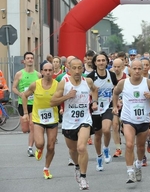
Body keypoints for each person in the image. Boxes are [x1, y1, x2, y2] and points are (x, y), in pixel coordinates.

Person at [50, 58, 98, 190]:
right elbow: (52, 102)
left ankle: (83, 177)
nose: (77, 71)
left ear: (82, 68)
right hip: (69, 122)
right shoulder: (63, 83)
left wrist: (94, 102)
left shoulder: (87, 81)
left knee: (81, 148)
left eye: (79, 68)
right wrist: (67, 96)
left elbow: (95, 90)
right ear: (69, 69)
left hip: (84, 120)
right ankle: (77, 166)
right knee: (72, 150)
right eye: (74, 68)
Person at [112, 59, 150, 184]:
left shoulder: (148, 82)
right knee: (129, 144)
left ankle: (138, 164)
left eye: (140, 68)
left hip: (143, 119)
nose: (137, 71)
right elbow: (115, 92)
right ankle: (130, 172)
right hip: (128, 119)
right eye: (135, 68)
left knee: (140, 147)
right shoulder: (124, 83)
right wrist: (114, 105)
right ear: (130, 69)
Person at [21, 62, 59, 179]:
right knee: (40, 143)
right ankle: (39, 149)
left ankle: (46, 168)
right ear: (41, 72)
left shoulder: (58, 85)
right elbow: (24, 95)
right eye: (45, 70)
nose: (47, 73)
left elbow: (63, 97)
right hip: (38, 118)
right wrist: (26, 113)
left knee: (51, 146)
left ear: (53, 72)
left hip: (53, 118)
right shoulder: (35, 84)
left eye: (50, 70)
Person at [86, 52, 118, 171]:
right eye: (98, 61)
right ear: (95, 63)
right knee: (98, 135)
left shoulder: (112, 75)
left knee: (106, 129)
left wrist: (117, 101)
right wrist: (92, 94)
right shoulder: (90, 77)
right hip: (95, 109)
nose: (101, 63)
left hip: (107, 107)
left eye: (103, 60)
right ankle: (99, 157)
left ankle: (106, 148)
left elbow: (116, 89)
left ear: (107, 62)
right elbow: (85, 91)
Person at [12, 52, 42, 157]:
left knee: (32, 125)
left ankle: (30, 147)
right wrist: (20, 94)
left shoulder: (38, 75)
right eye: (28, 58)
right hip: (23, 103)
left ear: (33, 60)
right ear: (24, 61)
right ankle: (33, 134)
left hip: (34, 103)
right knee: (25, 129)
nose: (30, 60)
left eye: (31, 58)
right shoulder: (19, 74)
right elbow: (14, 87)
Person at [109, 58, 127, 157]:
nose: (116, 69)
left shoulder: (126, 78)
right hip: (114, 104)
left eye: (118, 67)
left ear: (122, 67)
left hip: (125, 105)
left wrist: (123, 100)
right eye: (114, 66)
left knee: (124, 127)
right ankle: (118, 148)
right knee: (115, 125)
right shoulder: (110, 77)